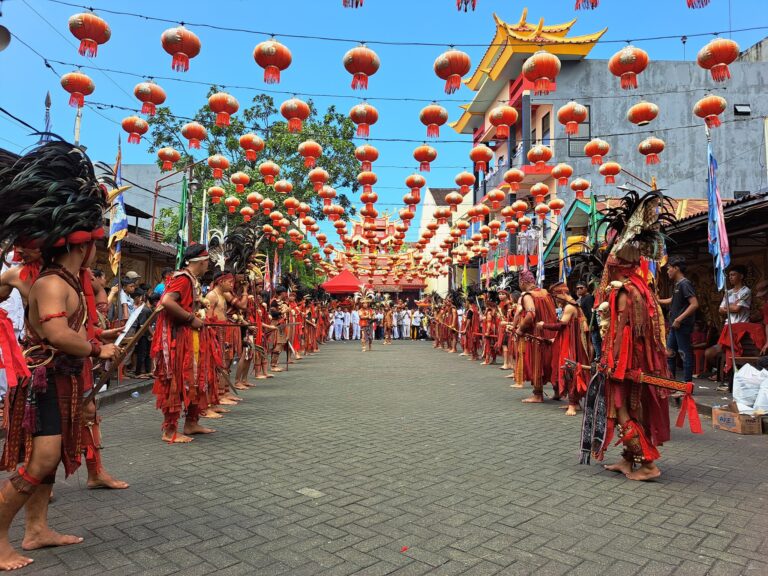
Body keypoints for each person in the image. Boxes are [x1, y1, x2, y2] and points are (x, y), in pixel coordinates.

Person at [0, 142, 119, 569]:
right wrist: (94, 346)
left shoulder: (68, 279)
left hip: (65, 379)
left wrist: (100, 335)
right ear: (81, 245)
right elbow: (54, 331)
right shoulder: (53, 281)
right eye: (96, 245)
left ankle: (36, 530)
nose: (98, 254)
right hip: (46, 382)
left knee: (48, 464)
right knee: (42, 459)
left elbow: (67, 328)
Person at [151, 244, 217, 443]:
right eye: (207, 262)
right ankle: (170, 431)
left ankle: (191, 423)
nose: (208, 266)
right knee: (177, 381)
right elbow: (167, 301)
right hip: (179, 340)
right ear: (202, 262)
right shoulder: (183, 279)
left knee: (195, 380)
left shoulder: (191, 279)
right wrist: (190, 319)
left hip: (191, 338)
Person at [539, 283, 591, 416]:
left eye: (556, 296)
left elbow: (561, 325)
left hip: (571, 344)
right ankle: (575, 403)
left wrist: (543, 325)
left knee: (569, 369)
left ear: (562, 294)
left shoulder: (569, 307)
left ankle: (573, 405)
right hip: (572, 342)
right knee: (571, 368)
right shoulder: (575, 305)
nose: (556, 300)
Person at [704, 265, 755, 390]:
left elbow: (737, 309)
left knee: (731, 353)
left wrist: (730, 306)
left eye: (733, 274)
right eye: (730, 275)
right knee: (710, 353)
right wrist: (731, 306)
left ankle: (726, 377)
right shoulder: (728, 292)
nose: (730, 277)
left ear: (741, 276)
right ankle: (720, 372)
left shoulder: (746, 291)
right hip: (728, 327)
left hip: (740, 328)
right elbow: (720, 310)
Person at [516, 270, 558, 403]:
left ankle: (538, 394)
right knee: (551, 362)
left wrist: (520, 329)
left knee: (537, 362)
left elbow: (530, 315)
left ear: (523, 283)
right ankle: (557, 392)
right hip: (551, 332)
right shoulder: (545, 293)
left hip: (537, 335)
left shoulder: (528, 295)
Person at [659, 256, 699, 383]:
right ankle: (672, 383)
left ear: (676, 268)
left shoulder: (684, 283)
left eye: (669, 268)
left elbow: (694, 304)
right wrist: (657, 300)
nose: (667, 271)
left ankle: (687, 385)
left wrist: (679, 319)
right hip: (675, 326)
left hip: (682, 325)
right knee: (669, 354)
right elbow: (672, 300)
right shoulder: (677, 285)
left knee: (684, 354)